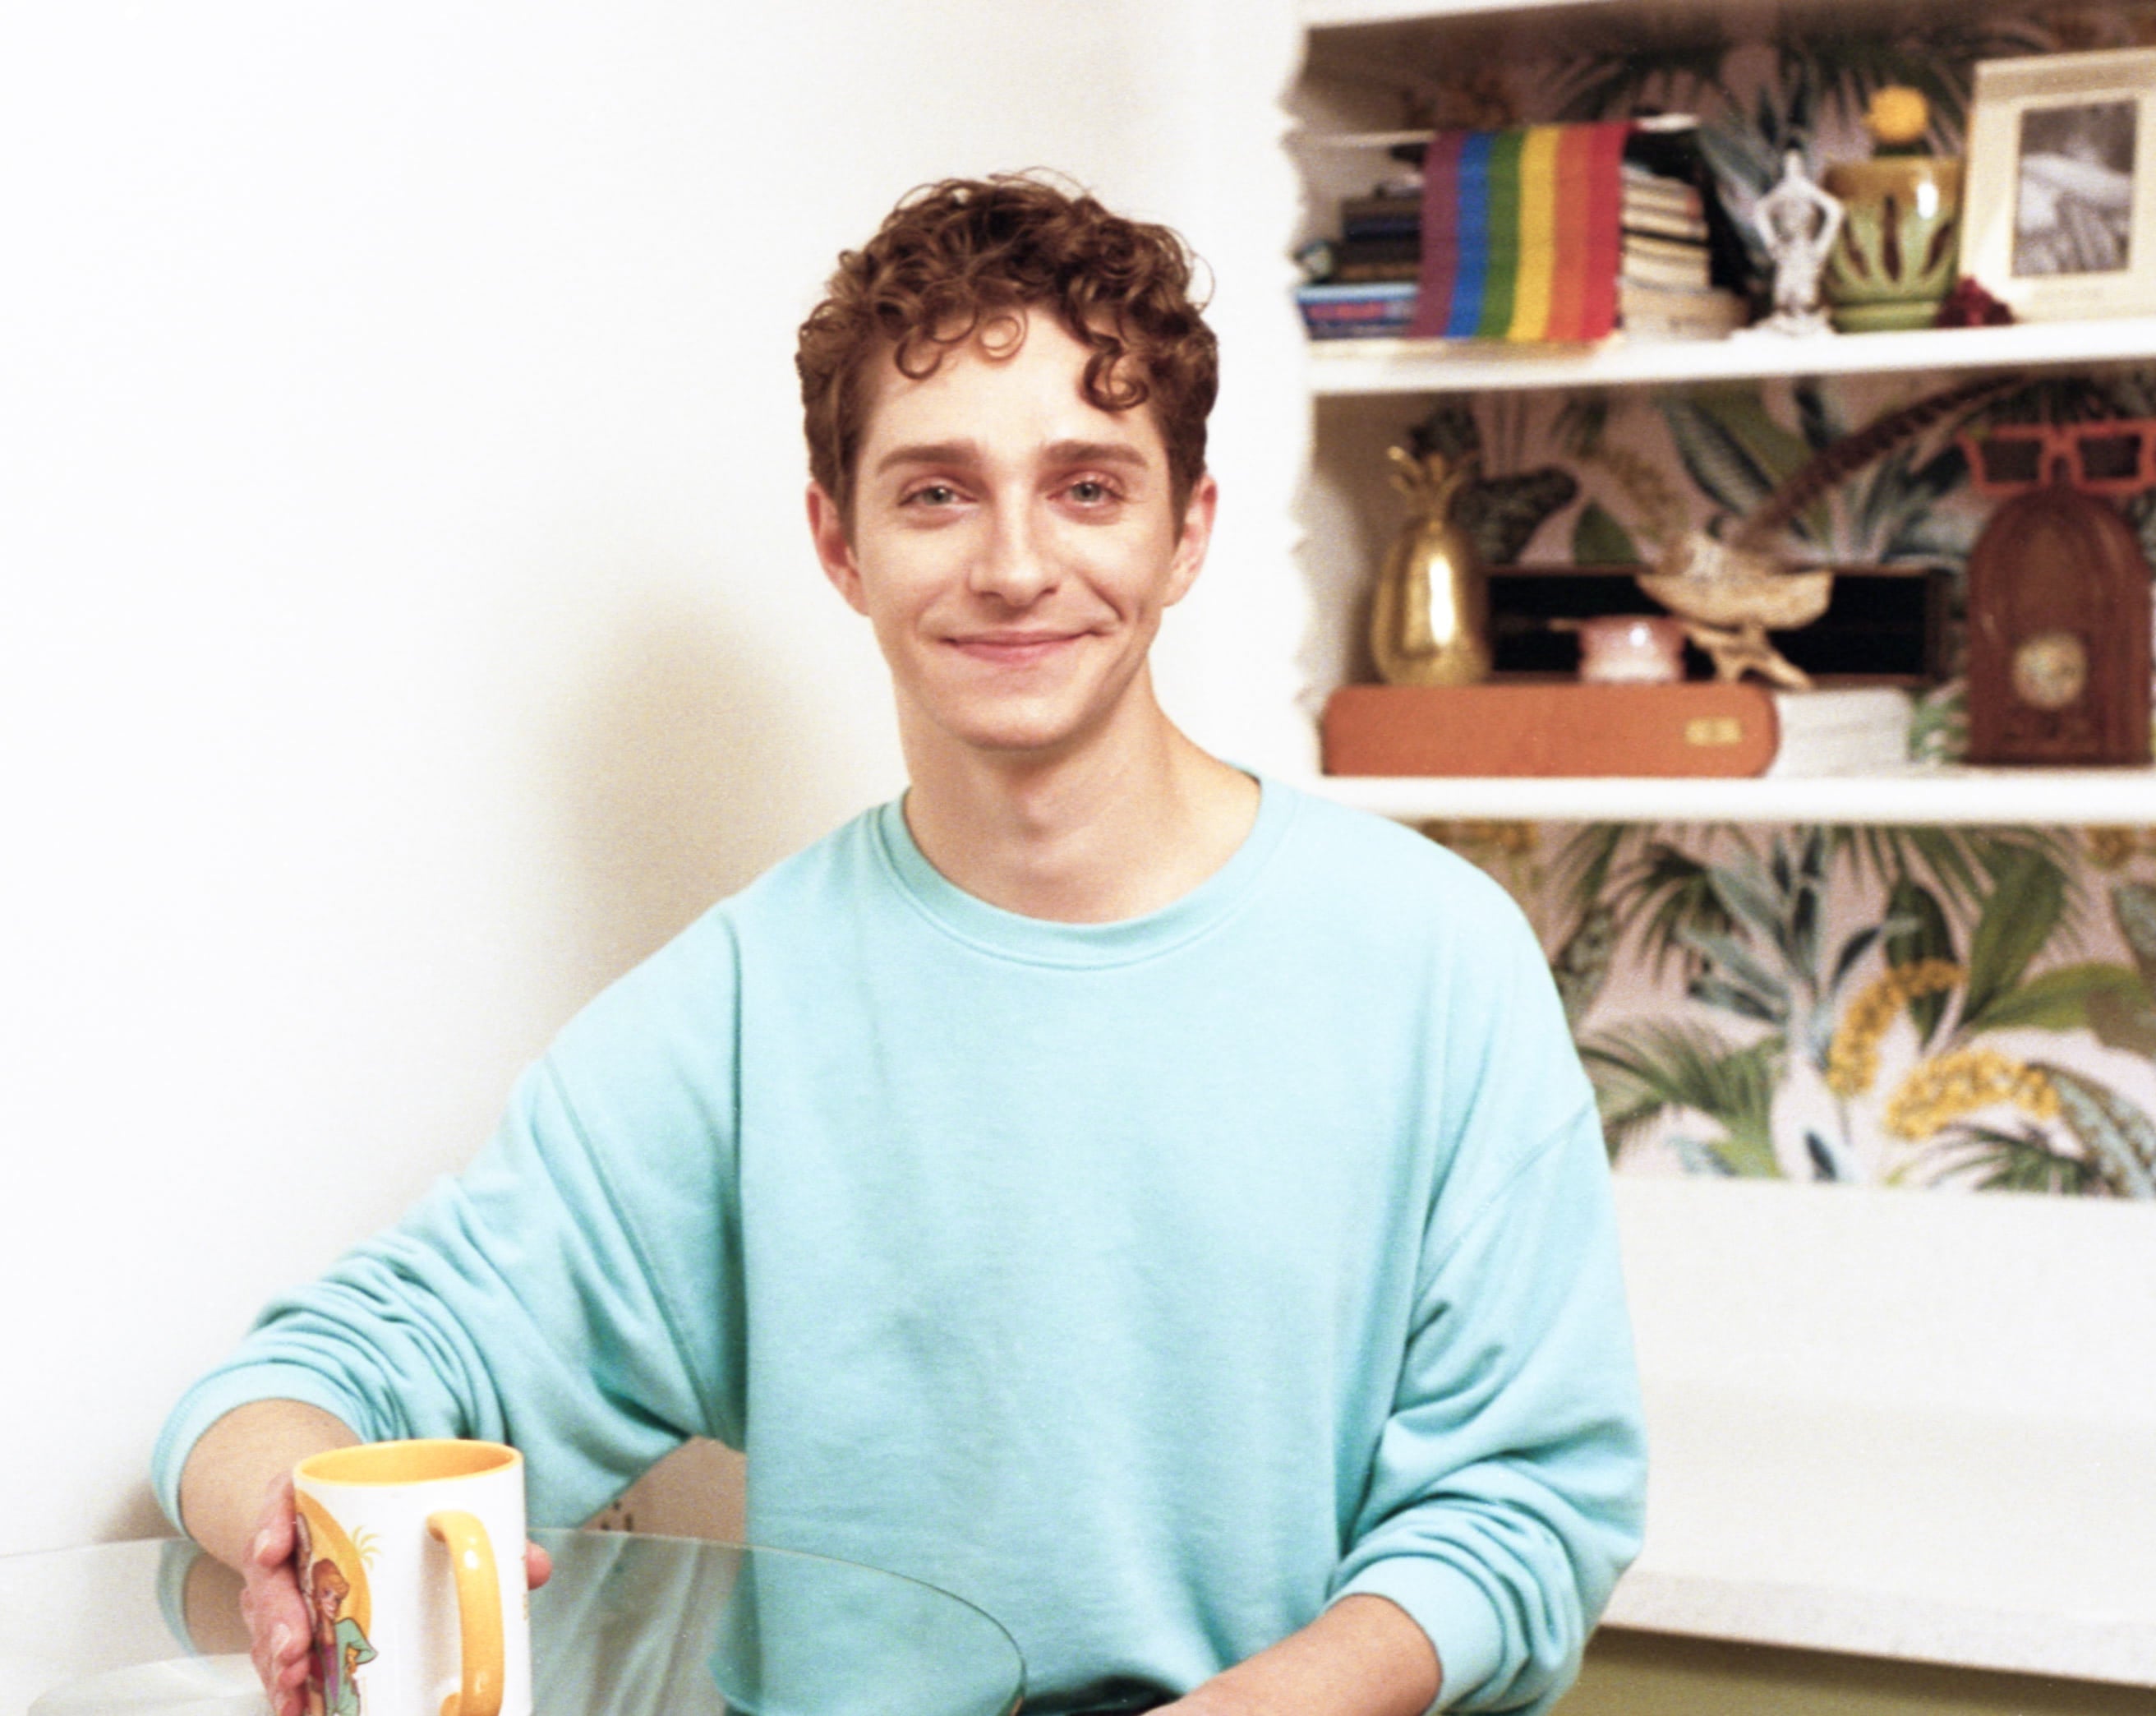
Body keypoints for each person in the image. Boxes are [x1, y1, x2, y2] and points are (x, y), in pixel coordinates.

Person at [154, 173, 1646, 1716]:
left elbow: (1524, 1509)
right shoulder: (740, 1013)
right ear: (840, 542)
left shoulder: (1435, 961)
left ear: (1187, 531)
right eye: (937, 491)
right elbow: (295, 1387)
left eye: (1087, 485)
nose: (1013, 564)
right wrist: (296, 1527)